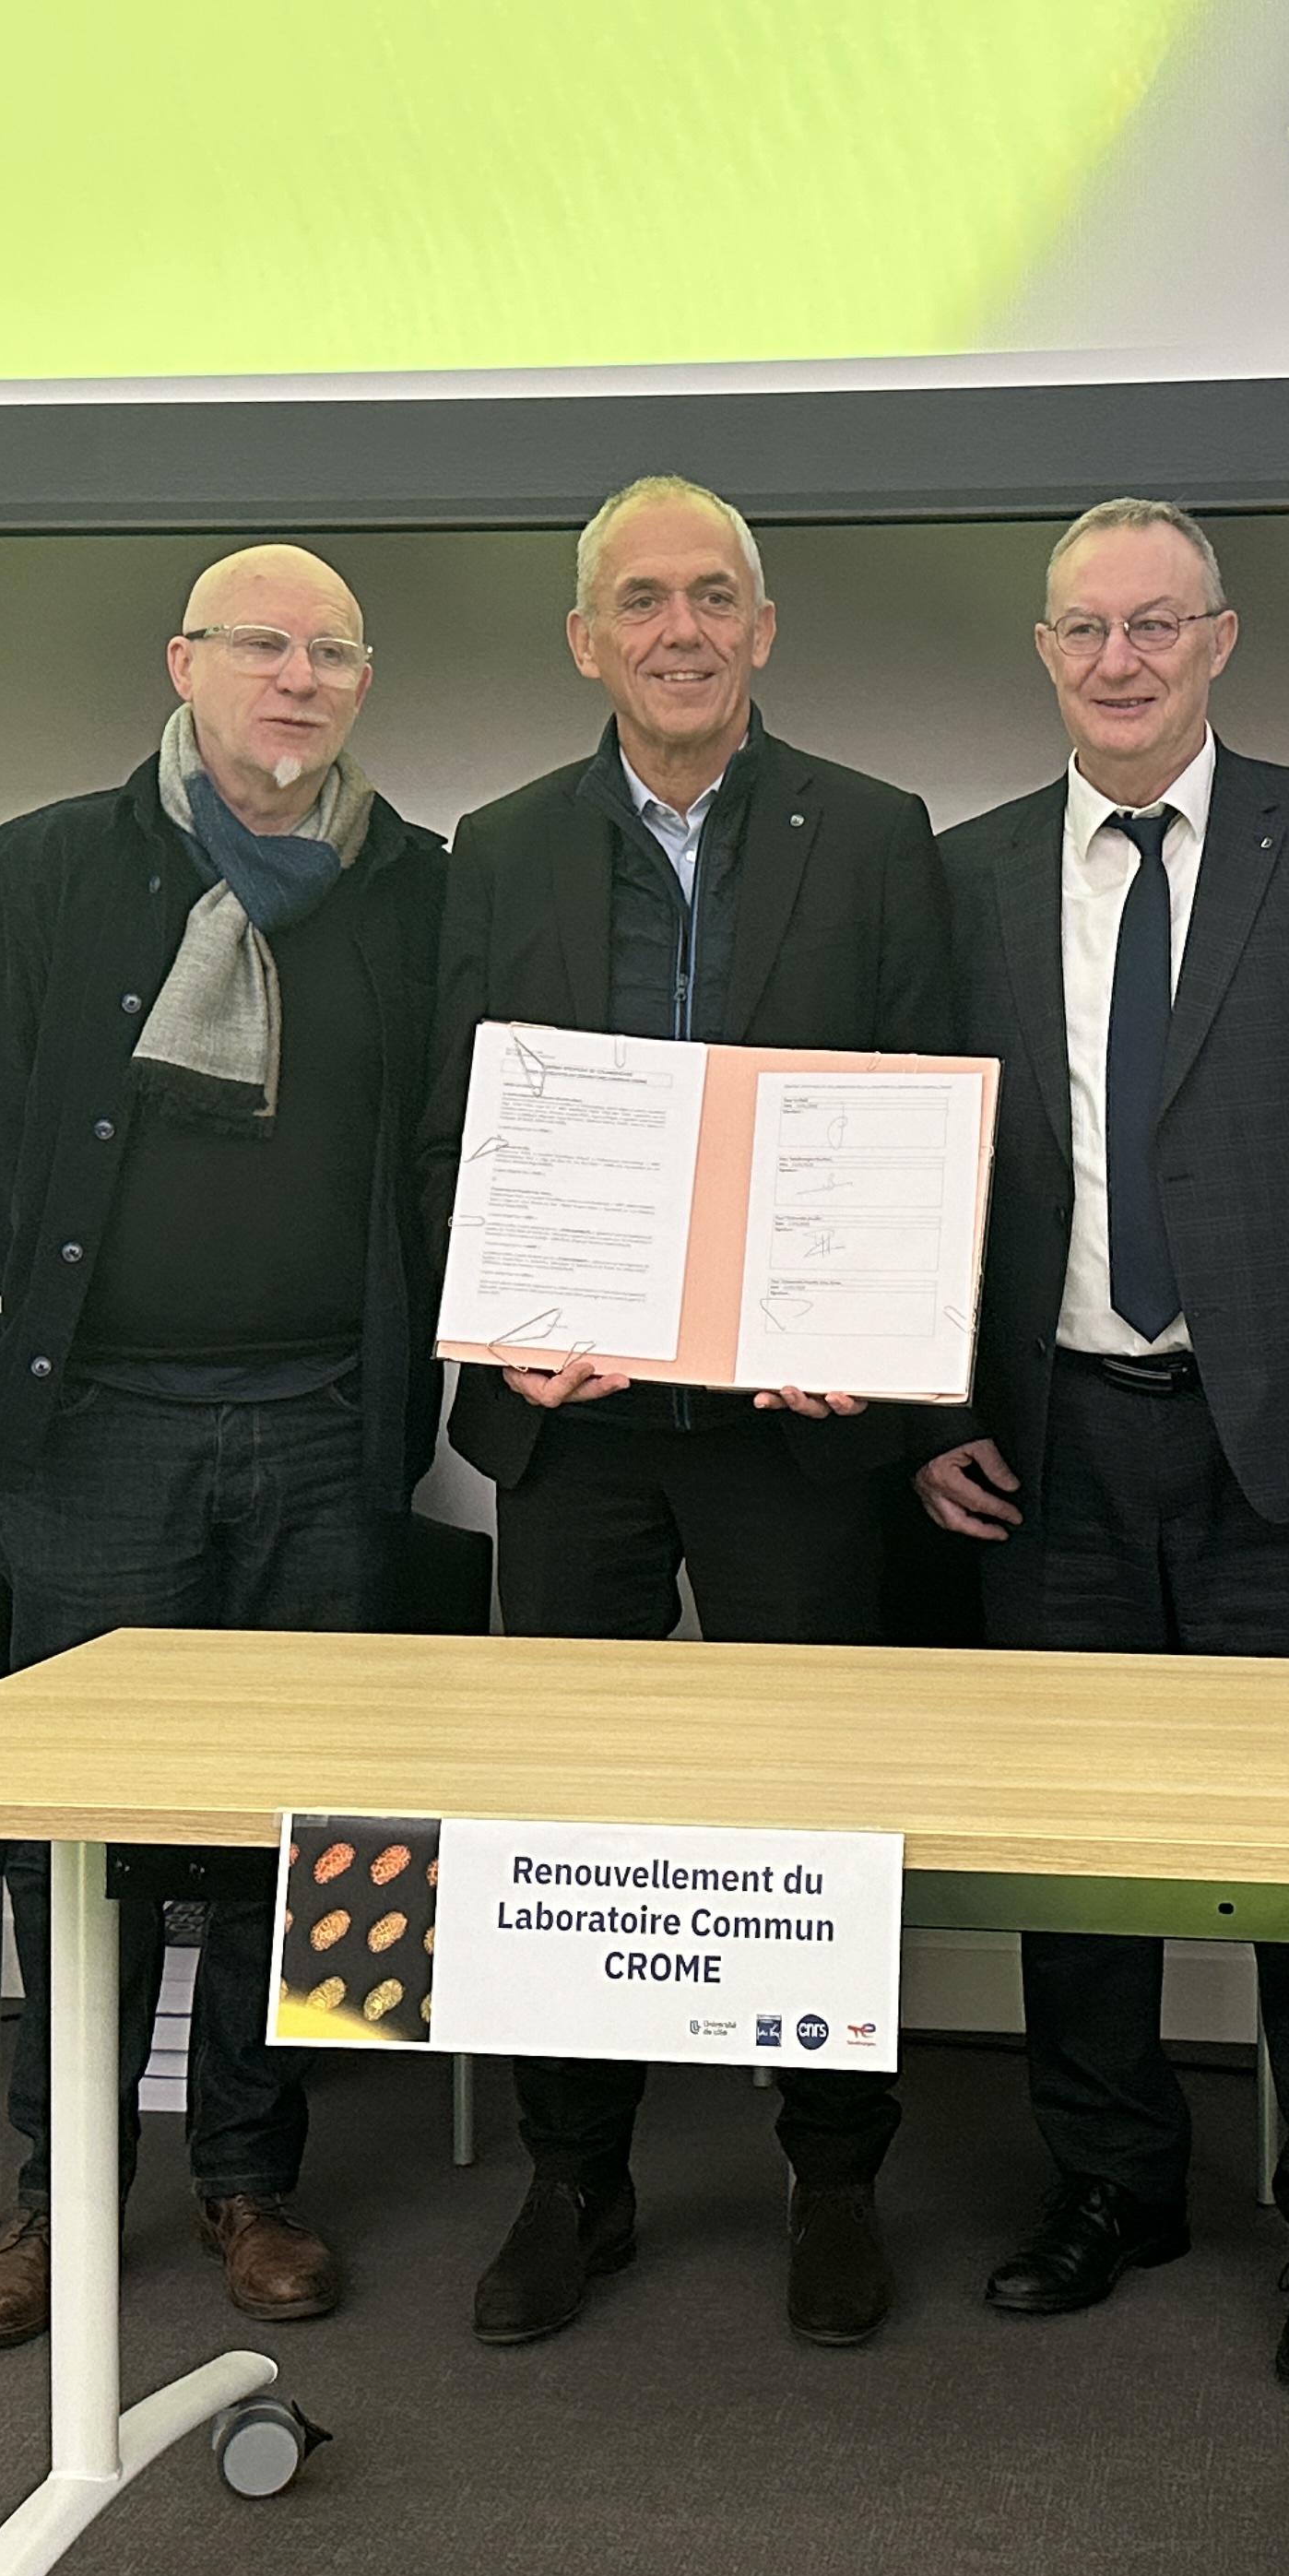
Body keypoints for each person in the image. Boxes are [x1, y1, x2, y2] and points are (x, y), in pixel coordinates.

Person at [914, 498, 1289, 2390]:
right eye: (1086, 629)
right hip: (1051, 1445)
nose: (1121, 660)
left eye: (1157, 624)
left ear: (1220, 641)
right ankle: (1112, 2184)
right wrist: (935, 1416)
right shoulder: (971, 872)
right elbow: (920, 1162)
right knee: (1079, 1862)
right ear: (1044, 653)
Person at [420, 474, 951, 2349]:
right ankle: (577, 2176)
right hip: (577, 1434)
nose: (680, 629)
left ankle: (836, 2173)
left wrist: (864, 1320)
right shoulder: (501, 847)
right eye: (641, 600)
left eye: (714, 595)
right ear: (587, 640)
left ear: (763, 628)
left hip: (793, 1433)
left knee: (820, 1805)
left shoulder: (875, 835)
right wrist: (503, 1329)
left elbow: (923, 1104)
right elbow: (457, 1122)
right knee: (564, 1810)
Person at [0, 544, 447, 2351]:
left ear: (361, 686)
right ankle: (63, 2193)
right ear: (184, 664)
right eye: (260, 646)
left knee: (325, 1829)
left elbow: (449, 1147)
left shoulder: (419, 888)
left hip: (331, 1424)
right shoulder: (46, 867)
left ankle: (257, 2179)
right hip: (104, 1428)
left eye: (332, 654)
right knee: (80, 1836)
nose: (296, 679)